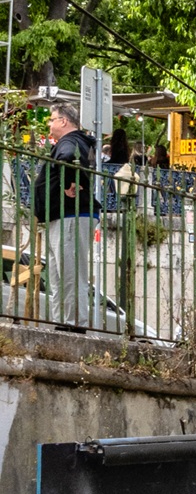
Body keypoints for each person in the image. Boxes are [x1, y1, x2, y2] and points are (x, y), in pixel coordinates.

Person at [32, 100, 100, 328]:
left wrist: (70, 182)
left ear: (63, 121)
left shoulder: (71, 141)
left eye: (52, 119)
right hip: (61, 216)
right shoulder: (76, 142)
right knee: (60, 277)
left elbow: (69, 157)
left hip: (70, 216)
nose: (49, 124)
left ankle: (73, 325)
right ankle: (63, 323)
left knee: (70, 276)